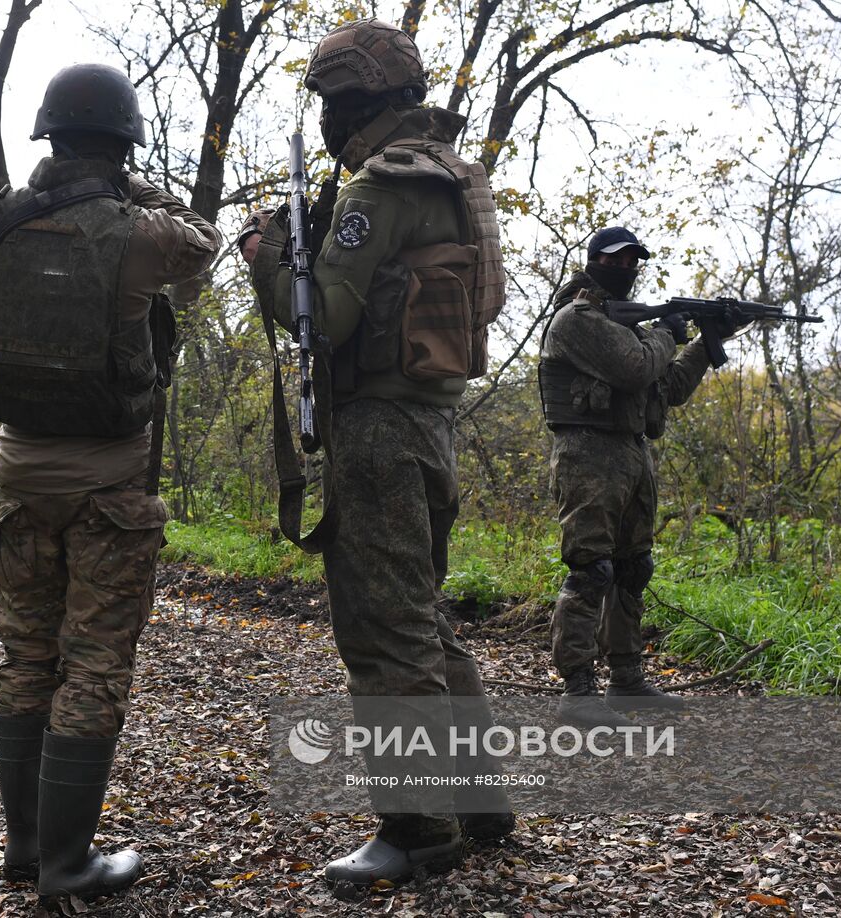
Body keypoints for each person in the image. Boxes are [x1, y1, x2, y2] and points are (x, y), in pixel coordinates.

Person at [239, 19, 511, 886]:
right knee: (423, 616)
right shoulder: (458, 181)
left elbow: (324, 319)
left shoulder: (374, 192)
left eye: (331, 103)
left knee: (384, 631)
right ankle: (478, 799)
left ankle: (416, 827)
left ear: (358, 103)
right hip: (434, 425)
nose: (324, 121)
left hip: (381, 434)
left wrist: (267, 258)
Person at [0, 63, 220, 897]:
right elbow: (204, 243)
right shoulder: (141, 231)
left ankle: (25, 849)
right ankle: (68, 866)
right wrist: (141, 186)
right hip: (109, 484)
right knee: (94, 668)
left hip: (18, 477)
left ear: (48, 138)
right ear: (122, 145)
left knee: (25, 660)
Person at [538, 226, 742, 727]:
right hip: (587, 455)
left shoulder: (628, 326)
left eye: (634, 261)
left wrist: (709, 339)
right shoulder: (579, 318)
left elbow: (666, 386)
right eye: (616, 259)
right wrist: (667, 330)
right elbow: (635, 367)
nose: (626, 269)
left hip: (631, 453)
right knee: (592, 570)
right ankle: (578, 691)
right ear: (594, 262)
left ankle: (626, 680)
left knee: (633, 567)